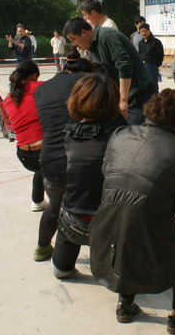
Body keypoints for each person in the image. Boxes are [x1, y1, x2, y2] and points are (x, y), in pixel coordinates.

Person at [90, 89, 175, 334]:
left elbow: (107, 173)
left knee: (127, 221)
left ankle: (125, 304)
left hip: (102, 241)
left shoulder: (120, 135)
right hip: (148, 248)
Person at [49, 73, 127, 278]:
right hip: (110, 223)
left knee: (59, 271)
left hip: (73, 220)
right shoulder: (120, 132)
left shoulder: (68, 132)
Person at [32, 48, 95, 262]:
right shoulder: (84, 83)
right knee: (88, 208)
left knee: (55, 206)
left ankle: (42, 248)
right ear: (85, 72)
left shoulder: (41, 89)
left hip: (48, 159)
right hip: (78, 157)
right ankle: (72, 258)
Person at [62, 17, 154, 125]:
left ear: (84, 33)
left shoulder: (107, 36)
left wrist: (123, 100)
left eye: (72, 39)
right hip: (121, 98)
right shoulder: (92, 48)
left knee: (136, 133)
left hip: (137, 95)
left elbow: (124, 65)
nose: (73, 44)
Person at [0, 60, 47, 212]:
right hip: (44, 152)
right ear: (34, 75)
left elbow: (9, 125)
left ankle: (37, 201)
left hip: (24, 155)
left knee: (40, 169)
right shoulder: (41, 88)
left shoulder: (8, 99)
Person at [137, 22, 164, 93]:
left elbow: (160, 56)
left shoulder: (156, 42)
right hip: (143, 66)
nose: (143, 33)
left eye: (145, 31)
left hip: (152, 66)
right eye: (141, 31)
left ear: (149, 31)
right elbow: (140, 54)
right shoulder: (140, 43)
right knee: (144, 87)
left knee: (153, 86)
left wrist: (156, 65)